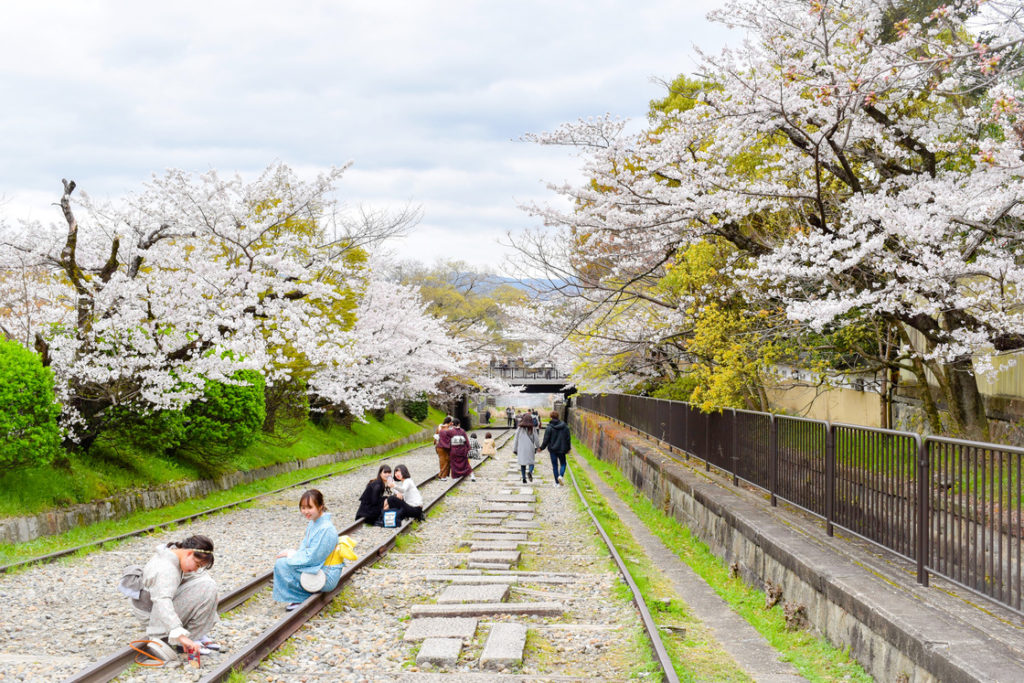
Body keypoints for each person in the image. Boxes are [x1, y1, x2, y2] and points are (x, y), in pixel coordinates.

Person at [119, 534, 219, 662]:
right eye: (197, 564)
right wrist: (180, 635)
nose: (195, 569)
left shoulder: (174, 553)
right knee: (207, 587)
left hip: (154, 609)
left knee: (206, 582)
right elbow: (162, 601)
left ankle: (195, 635)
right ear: (189, 553)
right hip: (153, 619)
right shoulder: (167, 569)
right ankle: (185, 640)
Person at [274, 489, 347, 611]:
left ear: (320, 507)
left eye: (309, 507)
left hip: (326, 575)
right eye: (303, 508)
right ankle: (300, 594)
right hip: (319, 567)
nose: (305, 511)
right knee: (283, 559)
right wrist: (292, 554)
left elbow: (313, 558)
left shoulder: (326, 529)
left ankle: (300, 597)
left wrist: (292, 555)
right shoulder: (314, 523)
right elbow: (305, 550)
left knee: (282, 564)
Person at [539, 411, 572, 486]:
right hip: (562, 449)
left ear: (551, 417)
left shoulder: (549, 427)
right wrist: (568, 448)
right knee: (563, 463)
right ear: (558, 417)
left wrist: (541, 448)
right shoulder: (565, 426)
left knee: (555, 466)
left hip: (552, 449)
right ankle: (561, 476)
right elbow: (568, 438)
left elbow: (546, 439)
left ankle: (557, 483)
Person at [513, 414, 540, 484]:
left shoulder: (519, 428)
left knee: (523, 463)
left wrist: (515, 449)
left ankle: (524, 478)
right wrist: (538, 447)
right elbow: (536, 439)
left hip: (521, 448)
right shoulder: (533, 428)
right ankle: (530, 472)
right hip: (530, 447)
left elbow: (516, 439)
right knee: (531, 462)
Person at [435, 416, 453, 481]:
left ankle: (442, 474)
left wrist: (435, 443)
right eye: (451, 422)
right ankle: (442, 475)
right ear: (450, 422)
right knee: (447, 461)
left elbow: (435, 437)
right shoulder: (449, 429)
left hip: (439, 446)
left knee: (442, 460)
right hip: (446, 447)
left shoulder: (439, 427)